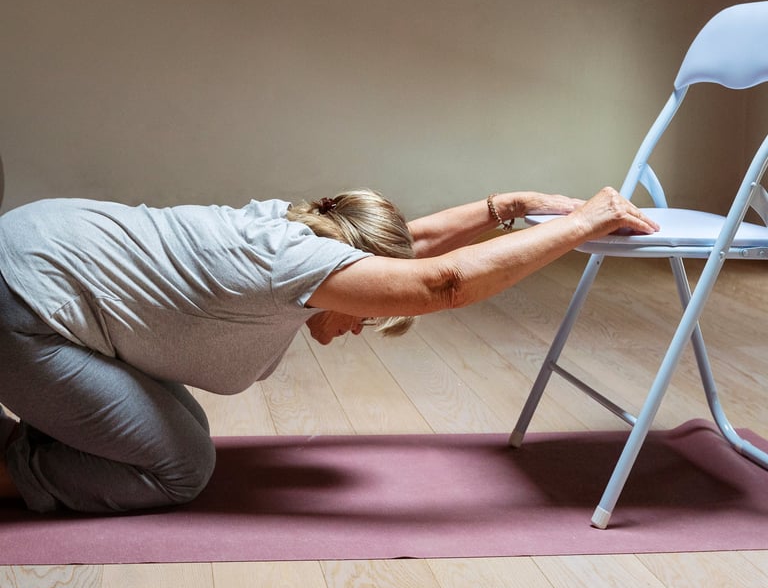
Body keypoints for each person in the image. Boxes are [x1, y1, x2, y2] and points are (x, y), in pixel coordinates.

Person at [0, 186, 657, 513]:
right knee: (182, 467)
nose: (359, 325)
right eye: (369, 315)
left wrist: (510, 204)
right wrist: (580, 225)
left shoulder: (300, 234)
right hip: (22, 304)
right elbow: (441, 281)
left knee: (183, 429)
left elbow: (415, 246)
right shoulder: (284, 267)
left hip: (34, 254)